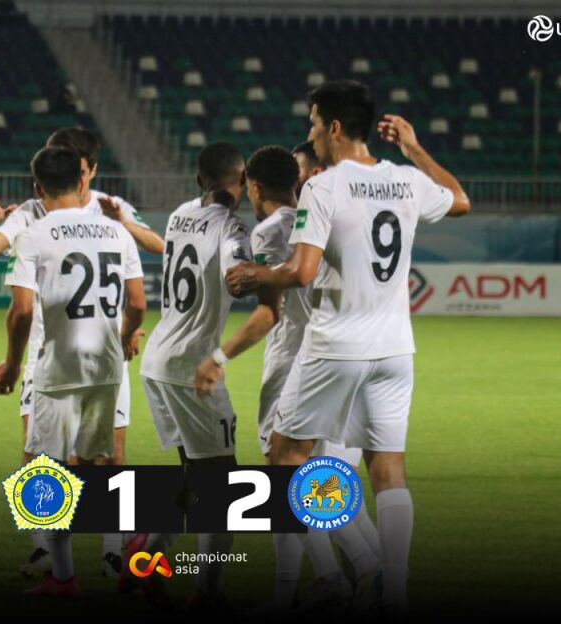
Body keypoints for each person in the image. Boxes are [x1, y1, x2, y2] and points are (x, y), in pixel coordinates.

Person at [226, 81, 471, 616]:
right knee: (388, 468)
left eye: (315, 123)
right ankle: (393, 590)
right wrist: (414, 148)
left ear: (334, 127)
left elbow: (301, 271)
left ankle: (326, 577)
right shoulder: (405, 180)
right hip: (396, 349)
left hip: (336, 345)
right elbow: (459, 200)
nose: (312, 133)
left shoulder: (324, 186)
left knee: (284, 457)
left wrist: (254, 275)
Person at [194, 145, 381, 612]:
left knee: (287, 475)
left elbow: (270, 313)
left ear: (255, 187)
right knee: (321, 479)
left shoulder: (270, 230)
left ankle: (350, 569)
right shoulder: (322, 222)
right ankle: (352, 572)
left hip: (294, 362)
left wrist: (219, 354)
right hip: (342, 358)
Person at [0, 127, 162, 578]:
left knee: (78, 459)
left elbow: (19, 309)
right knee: (58, 458)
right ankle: (49, 551)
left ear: (89, 170)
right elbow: (138, 301)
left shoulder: (102, 214)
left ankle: (93, 557)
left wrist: (12, 362)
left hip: (58, 358)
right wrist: (127, 331)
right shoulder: (43, 216)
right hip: (85, 353)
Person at [138, 142, 264, 611]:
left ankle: (148, 557)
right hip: (191, 365)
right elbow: (237, 277)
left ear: (198, 181)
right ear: (245, 180)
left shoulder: (179, 215)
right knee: (222, 486)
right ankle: (207, 592)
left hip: (157, 359)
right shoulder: (233, 227)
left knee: (194, 473)